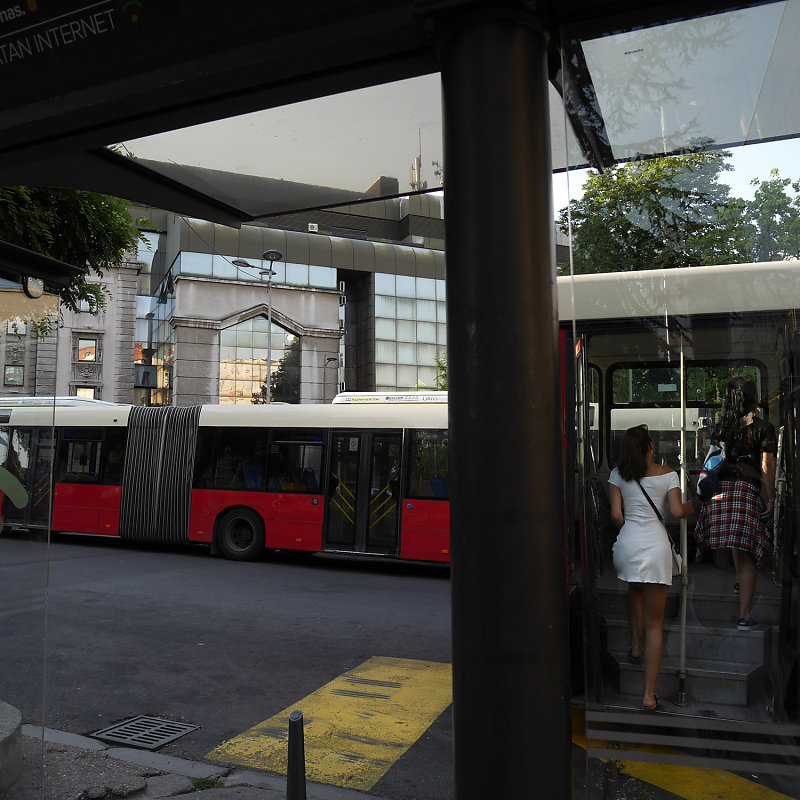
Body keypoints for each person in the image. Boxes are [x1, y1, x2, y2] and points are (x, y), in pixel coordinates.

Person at [609, 424, 694, 711]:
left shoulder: (617, 474)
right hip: (656, 550)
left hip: (627, 546)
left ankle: (634, 646)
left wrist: (632, 533)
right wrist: (694, 505)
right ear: (650, 447)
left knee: (634, 589)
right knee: (655, 624)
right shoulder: (669, 475)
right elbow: (678, 511)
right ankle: (648, 695)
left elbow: (616, 515)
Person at [693, 379, 776, 631]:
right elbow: (766, 467)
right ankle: (744, 617)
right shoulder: (762, 427)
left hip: (719, 494)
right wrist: (771, 498)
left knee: (735, 544)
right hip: (744, 491)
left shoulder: (722, 427)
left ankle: (740, 582)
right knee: (748, 554)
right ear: (753, 400)